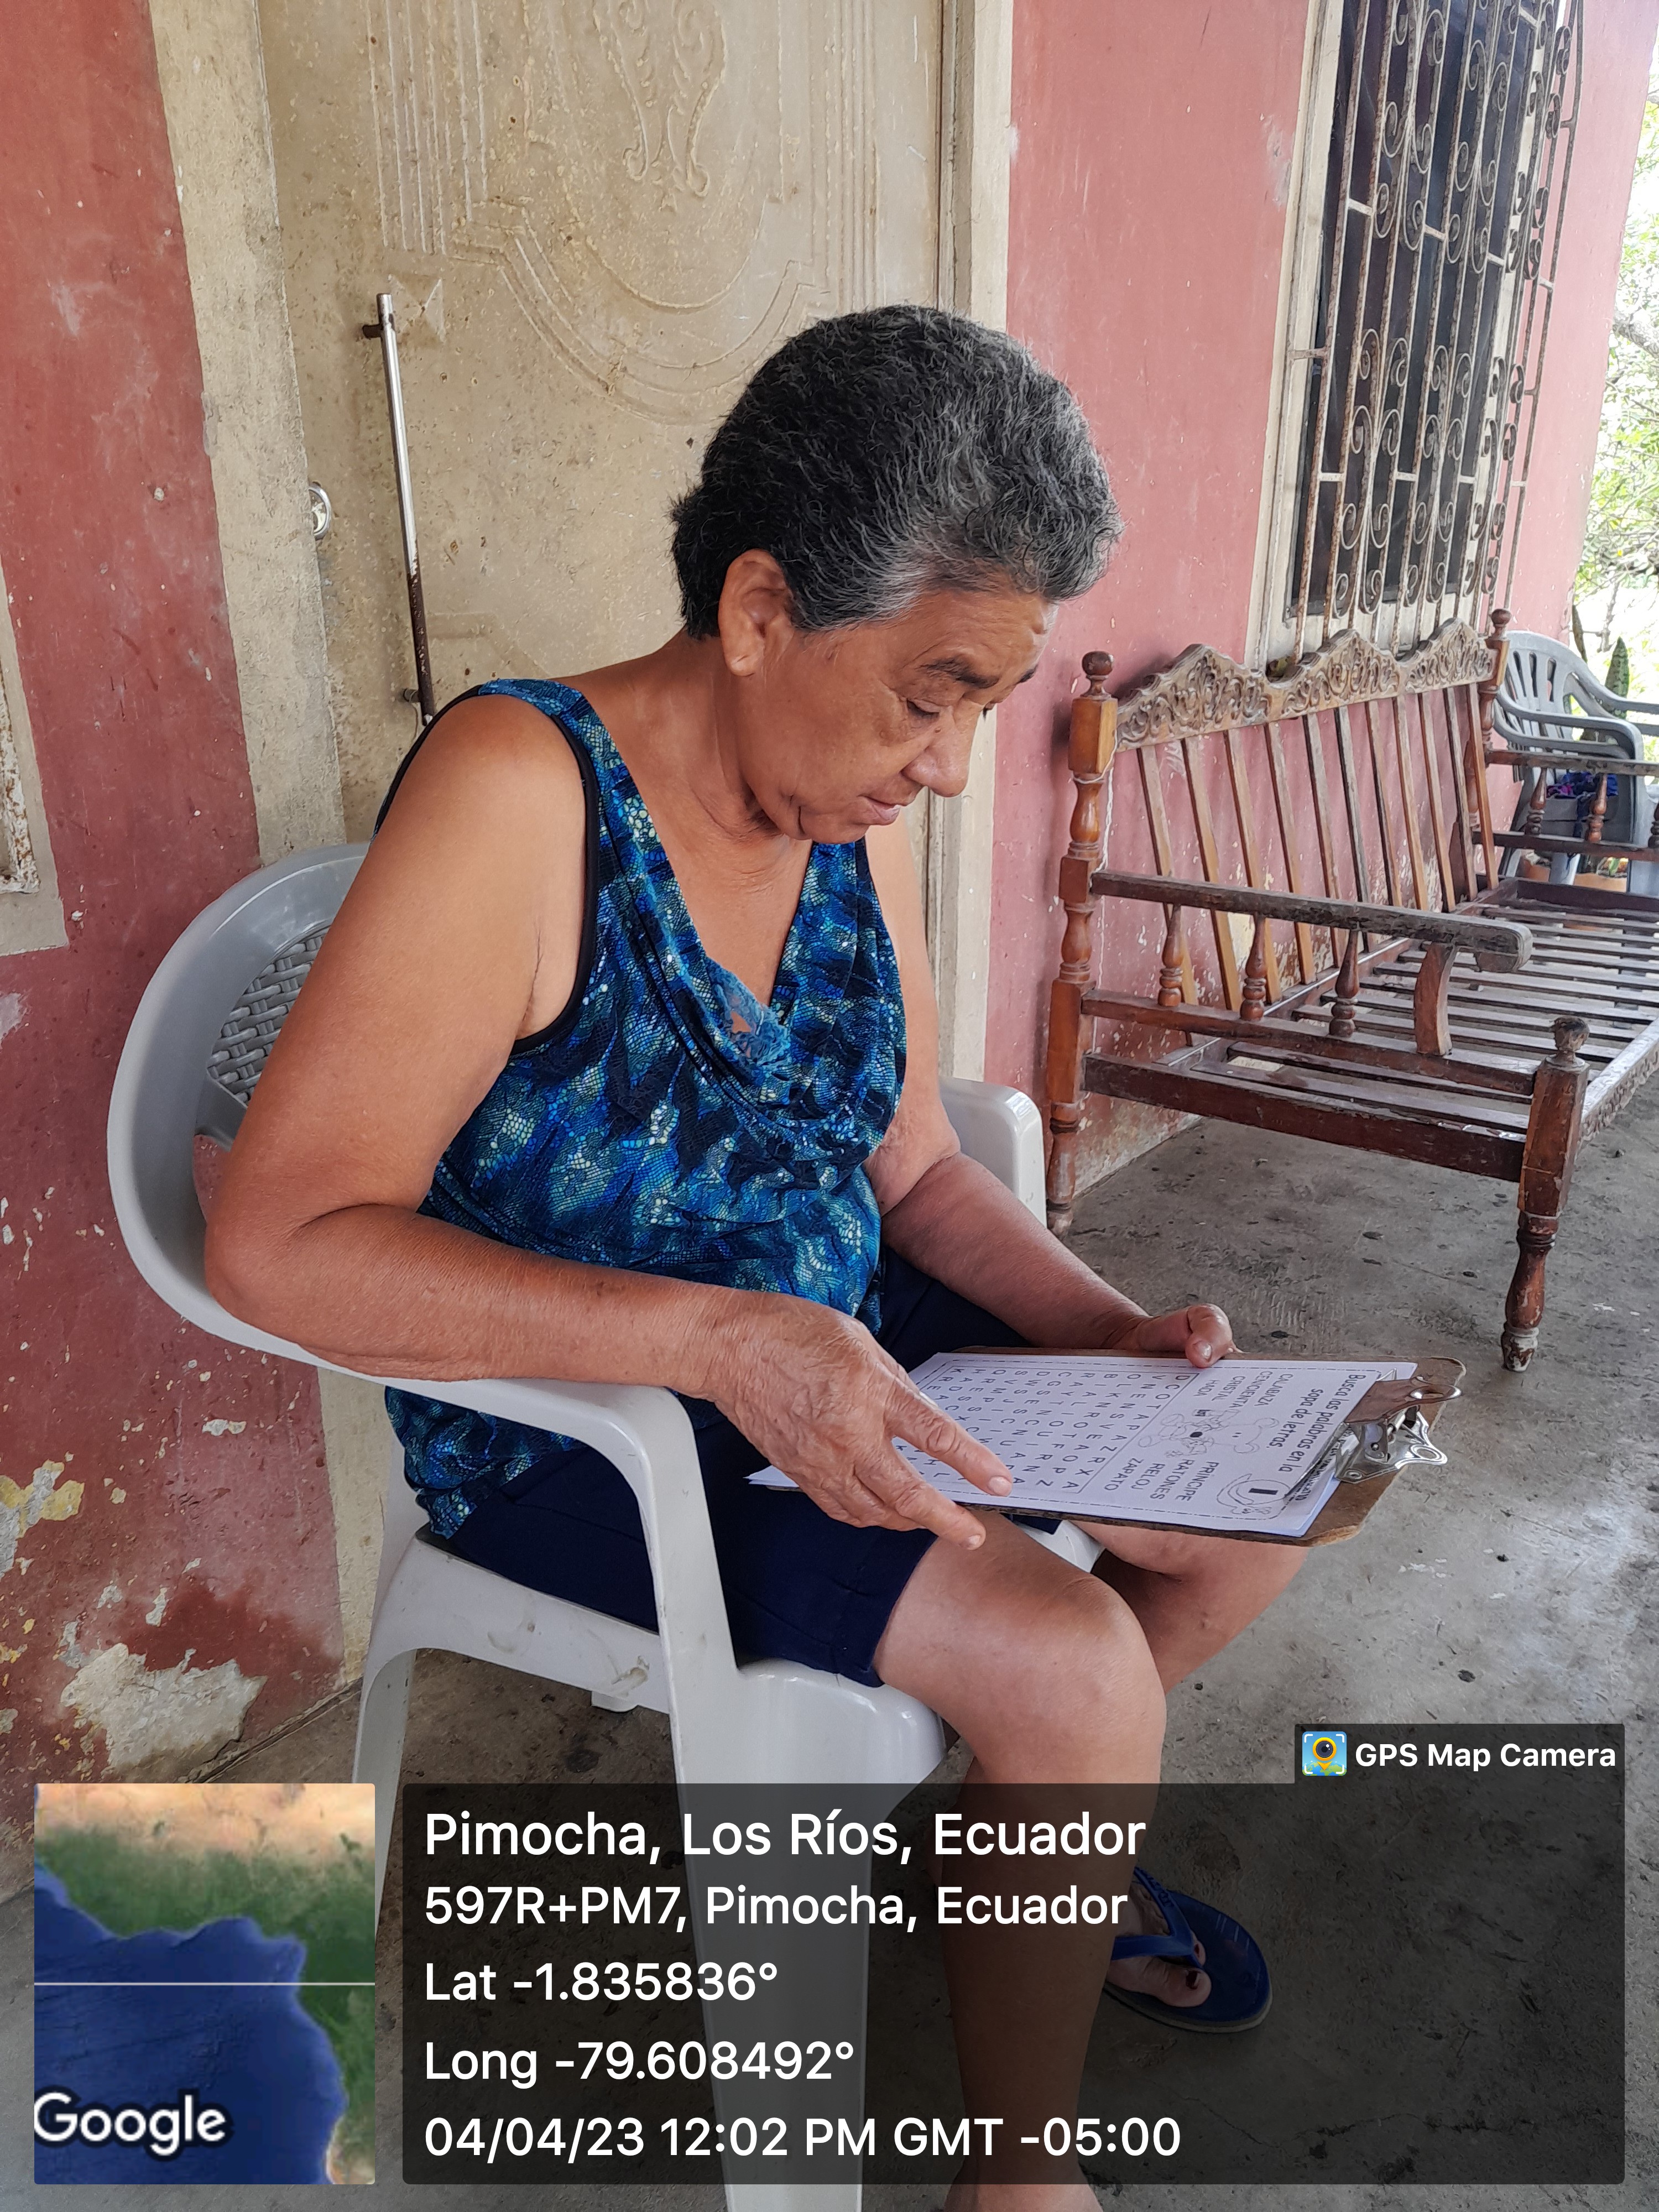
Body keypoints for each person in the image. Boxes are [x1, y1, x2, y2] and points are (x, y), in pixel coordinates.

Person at [207, 305, 1299, 2206]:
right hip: (585, 1420)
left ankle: (1018, 1856)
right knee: (1072, 1672)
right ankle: (1018, 2168)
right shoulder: (522, 795)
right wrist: (722, 1345)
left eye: (983, 703)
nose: (949, 766)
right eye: (933, 695)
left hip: (827, 1333)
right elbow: (278, 1245)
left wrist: (1112, 1336)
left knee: (1246, 1509)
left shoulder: (838, 801)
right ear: (761, 607)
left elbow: (918, 1178)